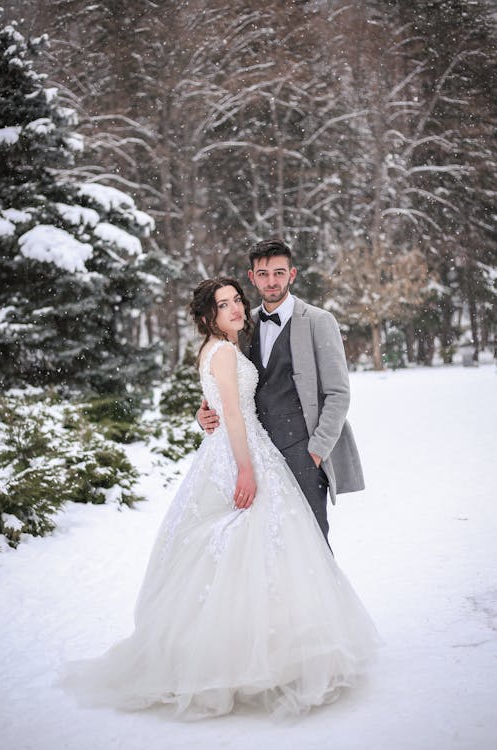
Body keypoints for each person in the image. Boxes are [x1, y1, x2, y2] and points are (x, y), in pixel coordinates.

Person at [59, 277, 378, 720]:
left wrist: (204, 413)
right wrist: (246, 469)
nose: (235, 310)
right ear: (208, 315)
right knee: (255, 548)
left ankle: (244, 649)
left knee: (241, 552)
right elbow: (231, 410)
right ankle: (258, 655)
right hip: (241, 453)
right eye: (223, 304)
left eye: (236, 302)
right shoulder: (227, 351)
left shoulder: (216, 348)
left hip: (232, 449)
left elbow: (220, 400)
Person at [198, 239, 364, 544]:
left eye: (278, 272)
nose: (271, 281)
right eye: (263, 274)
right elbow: (229, 385)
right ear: (252, 277)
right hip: (259, 453)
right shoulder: (245, 327)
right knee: (267, 546)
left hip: (303, 449)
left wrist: (316, 450)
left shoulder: (318, 321)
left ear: (292, 274)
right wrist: (204, 413)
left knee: (310, 542)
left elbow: (338, 393)